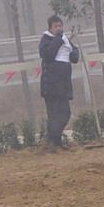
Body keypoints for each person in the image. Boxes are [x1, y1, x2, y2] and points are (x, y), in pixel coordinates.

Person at [39, 15, 79, 151]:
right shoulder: (46, 40)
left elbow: (74, 56)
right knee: (54, 114)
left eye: (60, 26)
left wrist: (74, 52)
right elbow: (48, 55)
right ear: (50, 27)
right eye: (56, 26)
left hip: (64, 84)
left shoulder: (65, 39)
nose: (59, 29)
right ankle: (52, 142)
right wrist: (57, 40)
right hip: (51, 85)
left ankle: (56, 141)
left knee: (65, 114)